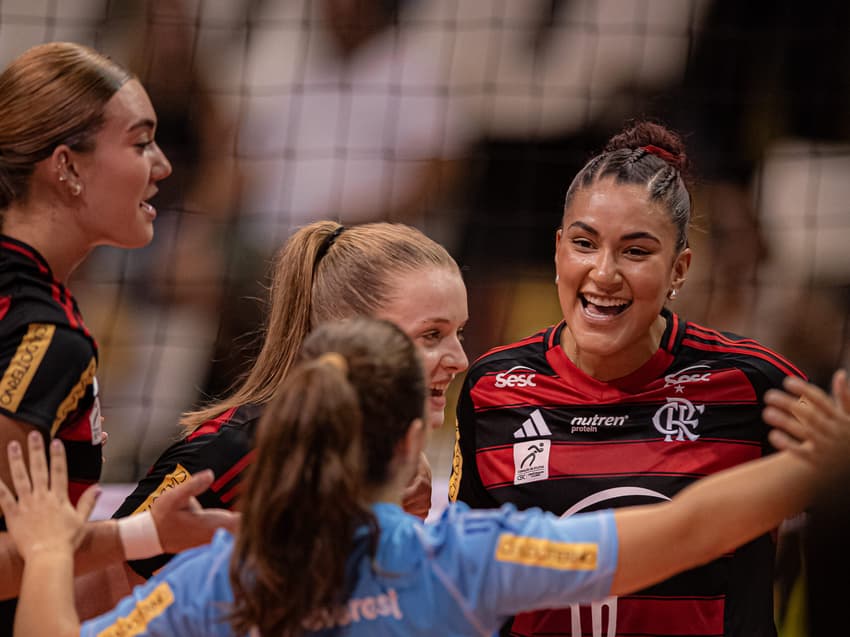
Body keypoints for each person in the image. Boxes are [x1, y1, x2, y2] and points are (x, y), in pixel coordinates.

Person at [2, 318, 849, 637]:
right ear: (413, 441)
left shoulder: (213, 583)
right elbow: (689, 528)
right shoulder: (459, 557)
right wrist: (819, 466)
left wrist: (45, 551)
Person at [450, 120, 808, 637]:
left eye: (636, 251)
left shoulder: (754, 385)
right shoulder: (494, 387)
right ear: (557, 251)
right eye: (584, 243)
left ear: (679, 270)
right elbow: (469, 581)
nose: (604, 273)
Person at [109, 220, 468, 582]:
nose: (460, 359)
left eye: (459, 332)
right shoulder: (239, 447)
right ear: (352, 333)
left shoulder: (400, 462)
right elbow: (104, 586)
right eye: (431, 335)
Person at [0, 40, 186, 633]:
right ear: (66, 166)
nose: (162, 166)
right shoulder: (49, 339)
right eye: (140, 142)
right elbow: (21, 555)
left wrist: (147, 533)